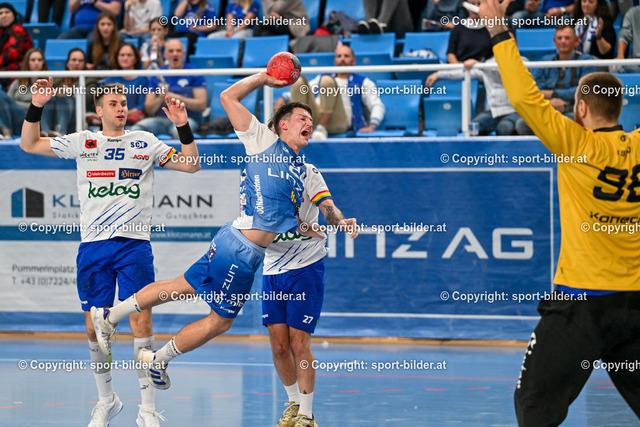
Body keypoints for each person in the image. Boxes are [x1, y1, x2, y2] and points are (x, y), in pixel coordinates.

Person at [89, 74, 320, 410]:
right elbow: (227, 97)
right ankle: (156, 358)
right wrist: (265, 77)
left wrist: (306, 227)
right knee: (219, 320)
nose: (308, 123)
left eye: (310, 120)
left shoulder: (297, 168)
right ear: (281, 126)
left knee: (180, 286)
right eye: (301, 118)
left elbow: (276, 216)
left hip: (235, 240)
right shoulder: (263, 141)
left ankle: (111, 316)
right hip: (242, 251)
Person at [478, 0, 640, 425]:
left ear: (581, 109)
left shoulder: (575, 144)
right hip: (636, 302)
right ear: (619, 109)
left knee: (535, 404)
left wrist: (498, 30)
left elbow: (524, 97)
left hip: (583, 303)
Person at [19, 80, 200, 426]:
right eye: (113, 103)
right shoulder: (83, 142)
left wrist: (182, 125)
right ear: (98, 110)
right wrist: (37, 105)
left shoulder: (145, 141)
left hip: (134, 245)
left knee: (141, 321)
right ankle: (107, 401)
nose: (121, 108)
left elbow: (191, 164)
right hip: (94, 245)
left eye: (124, 103)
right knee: (93, 326)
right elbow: (28, 144)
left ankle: (147, 408)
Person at [263, 163, 358, 427]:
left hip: (306, 266)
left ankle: (306, 415)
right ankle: (294, 405)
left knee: (298, 344)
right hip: (272, 268)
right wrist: (302, 226)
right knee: (279, 346)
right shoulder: (258, 174)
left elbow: (327, 207)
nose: (307, 126)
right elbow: (261, 218)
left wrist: (339, 222)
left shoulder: (307, 172)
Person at [275, 43, 385, 139]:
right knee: (298, 82)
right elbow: (302, 91)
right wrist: (283, 98)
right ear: (335, 60)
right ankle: (297, 129)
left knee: (327, 81)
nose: (342, 59)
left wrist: (372, 126)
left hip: (339, 121)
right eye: (339, 56)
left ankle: (322, 128)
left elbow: (377, 105)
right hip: (313, 119)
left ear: (354, 60)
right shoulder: (321, 77)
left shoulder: (363, 82)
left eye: (346, 56)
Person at [426, 37, 523, 136]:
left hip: (514, 111)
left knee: (504, 128)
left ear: (515, 43)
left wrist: (479, 65)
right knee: (473, 128)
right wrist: (439, 74)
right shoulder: (487, 64)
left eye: (508, 41)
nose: (503, 44)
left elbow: (507, 70)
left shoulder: (523, 62)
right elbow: (464, 72)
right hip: (493, 112)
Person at [515, 25, 595, 135]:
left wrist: (554, 94)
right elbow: (535, 89)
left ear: (576, 41)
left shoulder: (586, 61)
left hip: (574, 110)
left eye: (567, 38)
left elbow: (584, 91)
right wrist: (550, 102)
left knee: (568, 125)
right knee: (522, 124)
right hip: (548, 108)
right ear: (554, 42)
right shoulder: (545, 61)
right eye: (559, 38)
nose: (563, 41)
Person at [133, 39, 207, 138]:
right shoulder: (157, 74)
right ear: (165, 54)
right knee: (136, 129)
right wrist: (160, 98)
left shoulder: (194, 72)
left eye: (178, 51)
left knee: (179, 132)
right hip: (161, 119)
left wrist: (174, 98)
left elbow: (201, 105)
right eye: (171, 51)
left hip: (187, 118)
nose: (175, 54)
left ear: (184, 54)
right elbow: (149, 109)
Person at [5, 48, 60, 136]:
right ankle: (5, 133)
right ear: (27, 62)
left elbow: (49, 104)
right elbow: (8, 103)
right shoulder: (17, 82)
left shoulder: (48, 83)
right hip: (20, 117)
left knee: (44, 102)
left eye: (39, 60)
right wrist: (31, 105)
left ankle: (46, 132)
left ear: (43, 63)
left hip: (40, 117)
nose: (36, 63)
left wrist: (19, 103)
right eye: (33, 60)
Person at [105, 43, 148, 126]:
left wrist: (122, 114)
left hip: (134, 121)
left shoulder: (142, 79)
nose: (125, 58)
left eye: (129, 55)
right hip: (113, 119)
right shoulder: (111, 79)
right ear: (117, 58)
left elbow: (141, 106)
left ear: (136, 59)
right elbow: (105, 103)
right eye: (122, 55)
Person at [0, 2, 33, 89]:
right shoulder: (1, 31)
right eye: (0, 13)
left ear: (14, 15)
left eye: (7, 12)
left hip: (19, 69)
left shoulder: (18, 29)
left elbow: (12, 54)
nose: (4, 15)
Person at [611, 4, 640, 73]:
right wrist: (620, 56)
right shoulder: (633, 13)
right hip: (636, 63)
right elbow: (624, 36)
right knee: (615, 68)